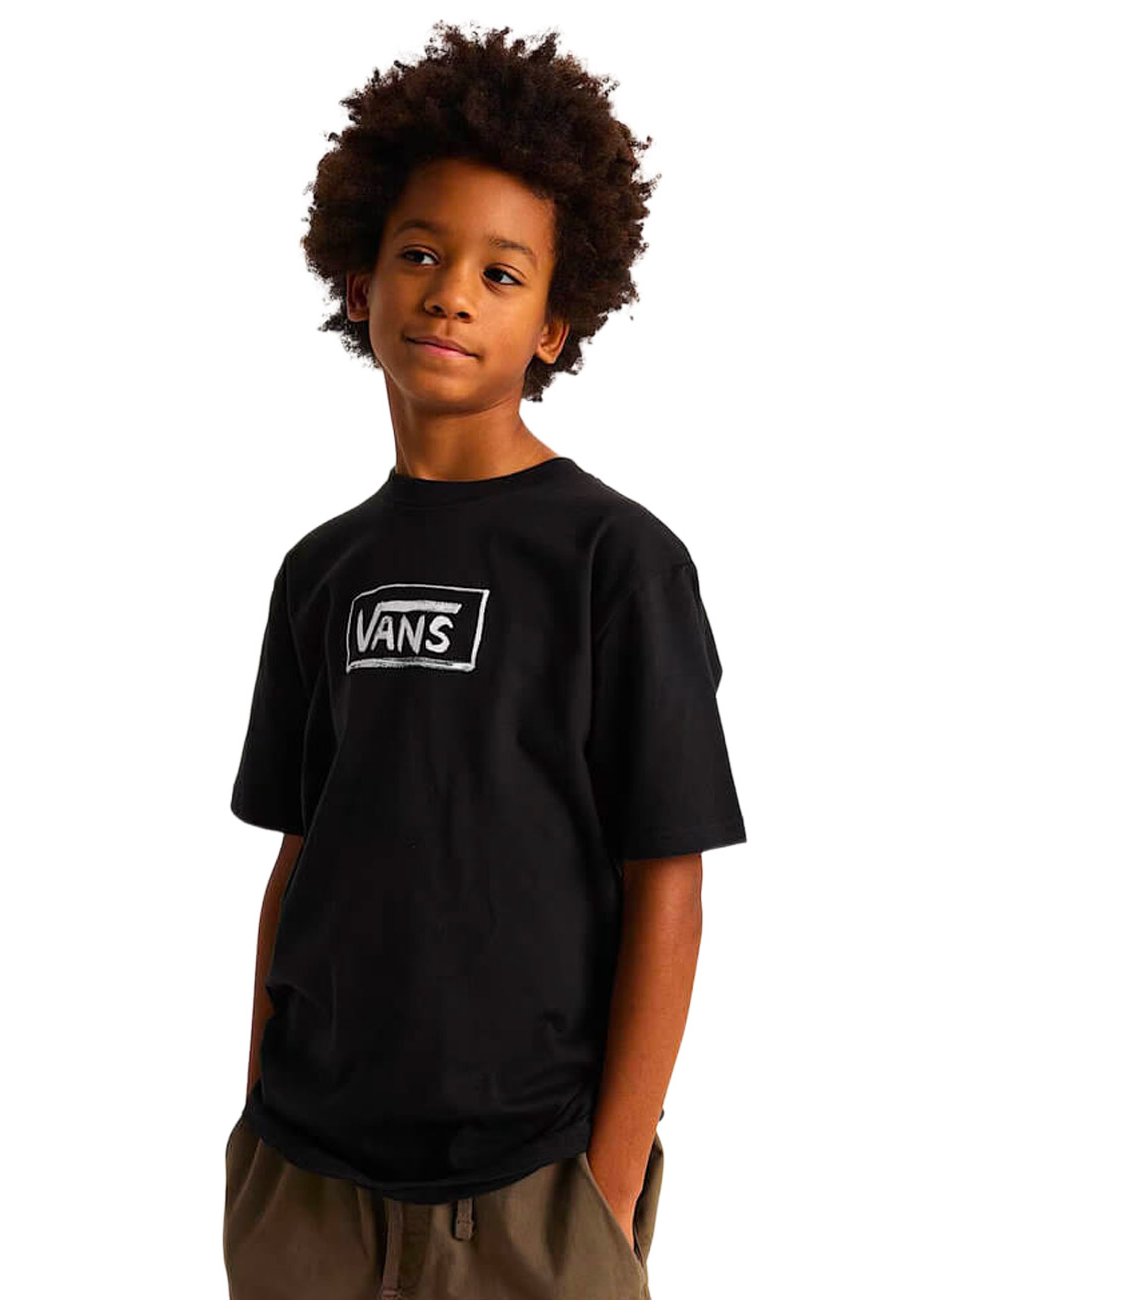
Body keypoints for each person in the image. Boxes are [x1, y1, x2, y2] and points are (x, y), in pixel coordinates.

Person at [222, 22, 747, 1300]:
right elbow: (300, 854)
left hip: (530, 1191)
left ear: (556, 324)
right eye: (419, 253)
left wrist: (602, 1188)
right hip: (307, 1184)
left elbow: (667, 879)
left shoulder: (617, 561)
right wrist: (254, 1119)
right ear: (360, 281)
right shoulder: (319, 569)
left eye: (500, 274)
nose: (451, 291)